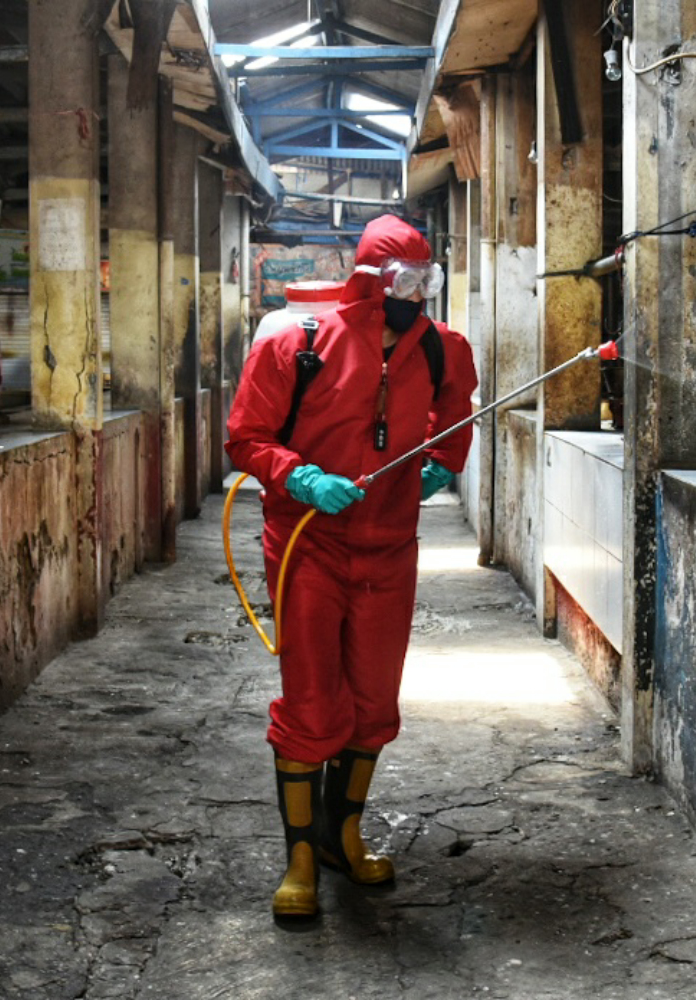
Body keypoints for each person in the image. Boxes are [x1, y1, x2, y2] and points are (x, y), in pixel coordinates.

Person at [225, 214, 477, 921]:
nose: (418, 296)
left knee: (373, 704)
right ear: (370, 280)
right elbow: (245, 437)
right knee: (311, 702)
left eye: (428, 281)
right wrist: (299, 477)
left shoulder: (443, 352)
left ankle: (342, 836)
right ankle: (299, 858)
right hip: (307, 542)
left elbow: (457, 416)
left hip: (390, 548)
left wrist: (440, 463)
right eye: (405, 281)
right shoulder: (295, 344)